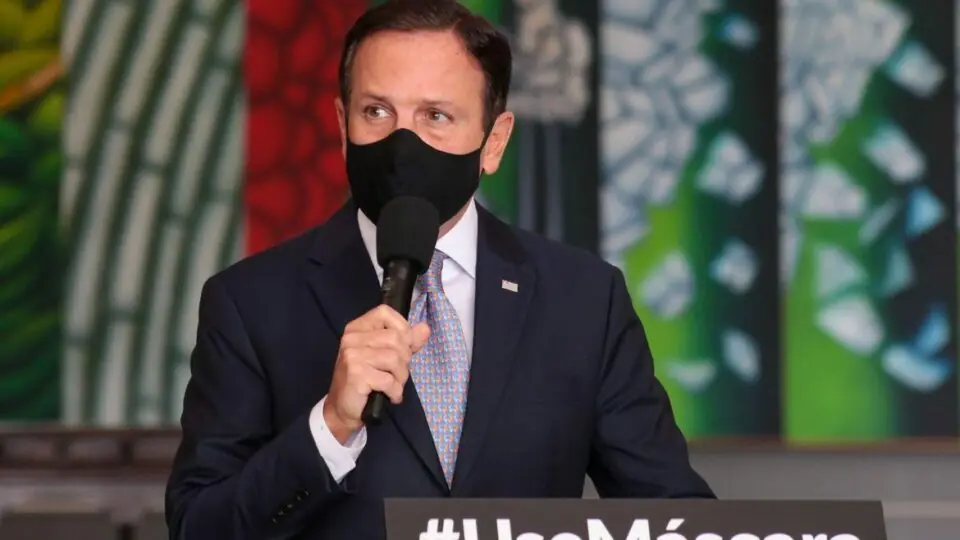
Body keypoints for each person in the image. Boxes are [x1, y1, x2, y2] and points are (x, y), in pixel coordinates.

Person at [165, 0, 714, 538]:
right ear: (341, 124)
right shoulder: (249, 303)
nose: (402, 144)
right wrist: (330, 427)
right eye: (376, 112)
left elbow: (678, 518)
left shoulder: (584, 300)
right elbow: (199, 526)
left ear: (494, 142)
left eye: (436, 116)